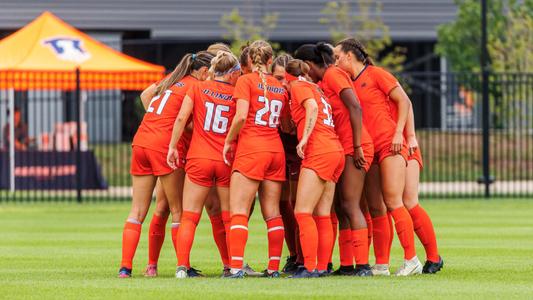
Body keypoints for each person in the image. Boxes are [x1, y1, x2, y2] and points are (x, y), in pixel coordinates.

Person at [118, 51, 213, 278]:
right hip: (163, 145)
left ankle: (125, 268)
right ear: (203, 71)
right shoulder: (195, 86)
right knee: (177, 210)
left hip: (142, 140)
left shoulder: (172, 80)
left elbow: (145, 95)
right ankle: (183, 266)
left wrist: (158, 119)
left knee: (137, 211)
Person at [333, 38, 423, 276]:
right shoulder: (347, 82)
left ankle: (411, 259)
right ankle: (381, 264)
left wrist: (400, 134)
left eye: (337, 57)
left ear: (349, 57)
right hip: (369, 148)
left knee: (394, 201)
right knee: (375, 207)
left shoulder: (376, 74)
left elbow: (404, 100)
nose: (335, 61)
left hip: (389, 144)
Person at [294, 42, 372, 276]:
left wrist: (357, 145)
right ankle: (347, 265)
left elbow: (355, 106)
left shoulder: (332, 74)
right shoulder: (321, 83)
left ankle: (364, 265)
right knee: (338, 207)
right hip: (341, 146)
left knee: (350, 204)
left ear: (308, 66)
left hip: (353, 145)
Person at [167, 51, 241, 278]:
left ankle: (182, 266)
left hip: (199, 158)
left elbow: (181, 118)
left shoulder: (197, 87)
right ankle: (229, 266)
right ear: (230, 74)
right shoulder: (236, 93)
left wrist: (171, 146)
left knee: (190, 215)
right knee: (227, 217)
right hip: (225, 158)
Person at [223, 40, 288, 278]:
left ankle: (237, 267)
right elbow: (286, 123)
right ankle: (273, 269)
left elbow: (240, 117)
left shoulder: (245, 80)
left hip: (252, 148)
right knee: (272, 213)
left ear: (249, 61)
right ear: (271, 61)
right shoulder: (279, 86)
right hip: (275, 149)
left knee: (238, 211)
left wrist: (229, 140)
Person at [285, 59, 345, 278]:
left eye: (282, 79)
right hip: (334, 148)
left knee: (302, 211)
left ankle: (309, 267)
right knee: (322, 214)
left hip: (318, 150)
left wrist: (305, 138)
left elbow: (310, 107)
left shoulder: (299, 87)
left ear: (289, 77)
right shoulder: (315, 87)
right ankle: (321, 266)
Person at [401, 98, 444, 273]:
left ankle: (434, 257)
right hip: (383, 147)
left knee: (409, 202)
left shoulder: (378, 77)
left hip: (404, 146)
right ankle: (380, 263)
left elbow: (406, 101)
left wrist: (410, 136)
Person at [271, 53, 303, 274]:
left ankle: (305, 258)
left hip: (299, 152)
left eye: (283, 78)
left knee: (299, 205)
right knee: (283, 205)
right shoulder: (271, 95)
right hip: (278, 150)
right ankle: (293, 255)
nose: (281, 83)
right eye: (276, 78)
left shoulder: (300, 95)